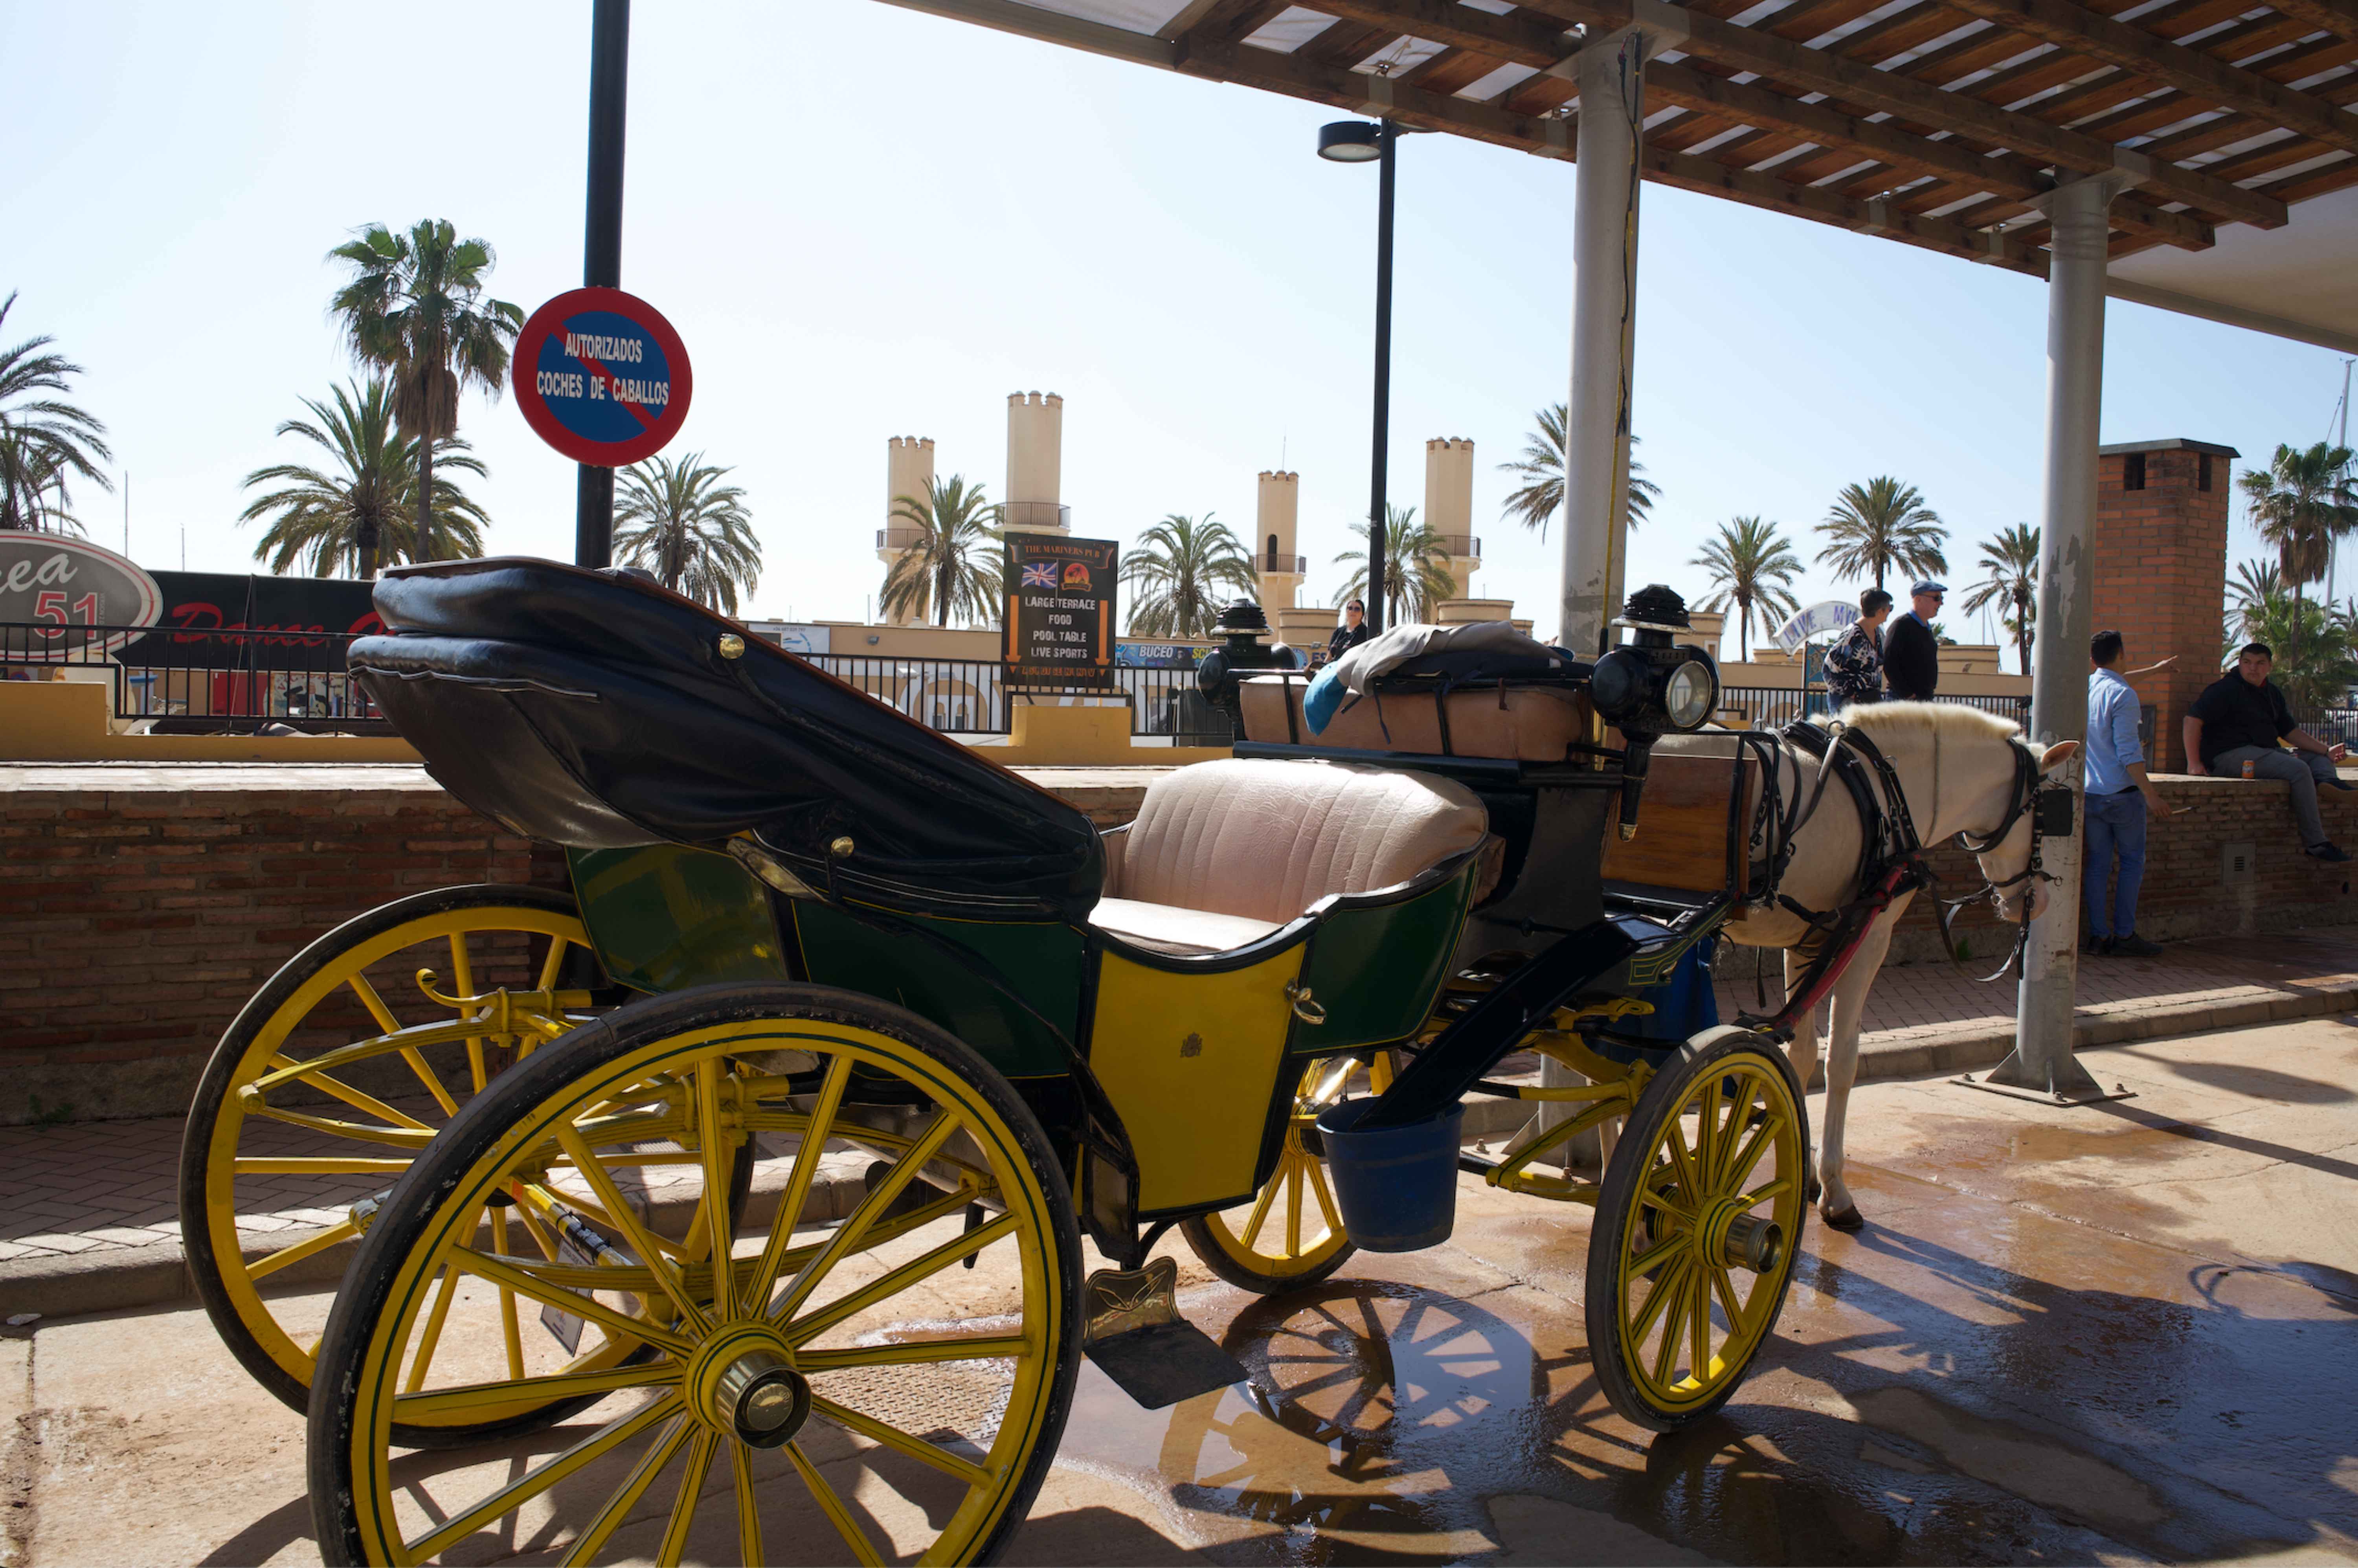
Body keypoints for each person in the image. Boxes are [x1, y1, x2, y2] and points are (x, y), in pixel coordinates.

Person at [2184, 642, 2354, 863]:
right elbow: (2192, 720)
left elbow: (2290, 731)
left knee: (2317, 758)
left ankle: (2328, 783)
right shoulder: (2224, 690)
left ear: (2270, 667)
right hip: (2230, 756)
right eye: (2247, 663)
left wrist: (2327, 750)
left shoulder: (2272, 693)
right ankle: (2317, 844)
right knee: (2299, 769)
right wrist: (2194, 764)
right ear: (2240, 664)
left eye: (2260, 663)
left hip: (2266, 753)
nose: (2253, 668)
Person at [2083, 630, 2177, 957]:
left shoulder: (2087, 688)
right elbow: (2129, 753)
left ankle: (2097, 936)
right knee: (2132, 864)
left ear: (2093, 659)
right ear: (2122, 653)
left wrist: (2157, 669)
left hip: (2090, 795)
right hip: (2123, 795)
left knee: (2097, 867)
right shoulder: (2124, 695)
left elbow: (2116, 677)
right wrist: (2151, 794)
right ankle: (2124, 936)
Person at [1823, 588, 1892, 709]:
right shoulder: (1853, 636)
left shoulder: (1876, 633)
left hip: (1870, 700)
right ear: (1880, 611)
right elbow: (1829, 670)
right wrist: (1850, 694)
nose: (1890, 612)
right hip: (1849, 703)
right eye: (1890, 608)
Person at [1880, 579, 1944, 701]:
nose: (1941, 603)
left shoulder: (1926, 628)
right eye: (1936, 598)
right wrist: (1907, 694)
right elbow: (1889, 661)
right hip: (1903, 701)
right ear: (1918, 599)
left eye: (1942, 599)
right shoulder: (1902, 625)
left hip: (1924, 698)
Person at [1325, 600, 1371, 666]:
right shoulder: (1338, 632)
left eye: (1357, 609)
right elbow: (1329, 657)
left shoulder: (1367, 633)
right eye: (1350, 608)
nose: (1353, 611)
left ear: (1362, 614)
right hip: (1333, 669)